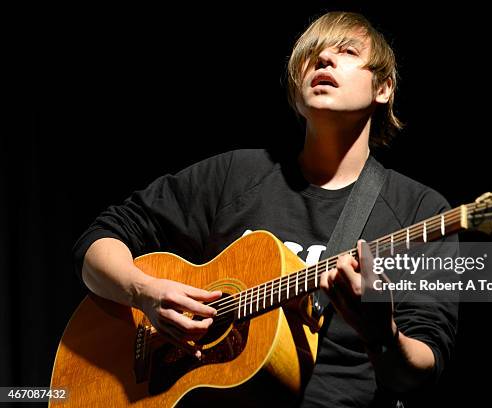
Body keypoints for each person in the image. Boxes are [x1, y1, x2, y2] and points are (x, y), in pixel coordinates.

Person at [73, 11, 457, 407]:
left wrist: (381, 334)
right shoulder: (235, 175)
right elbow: (97, 242)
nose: (323, 59)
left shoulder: (421, 211)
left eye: (346, 51)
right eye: (313, 54)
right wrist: (145, 293)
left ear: (384, 88)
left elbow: (420, 370)